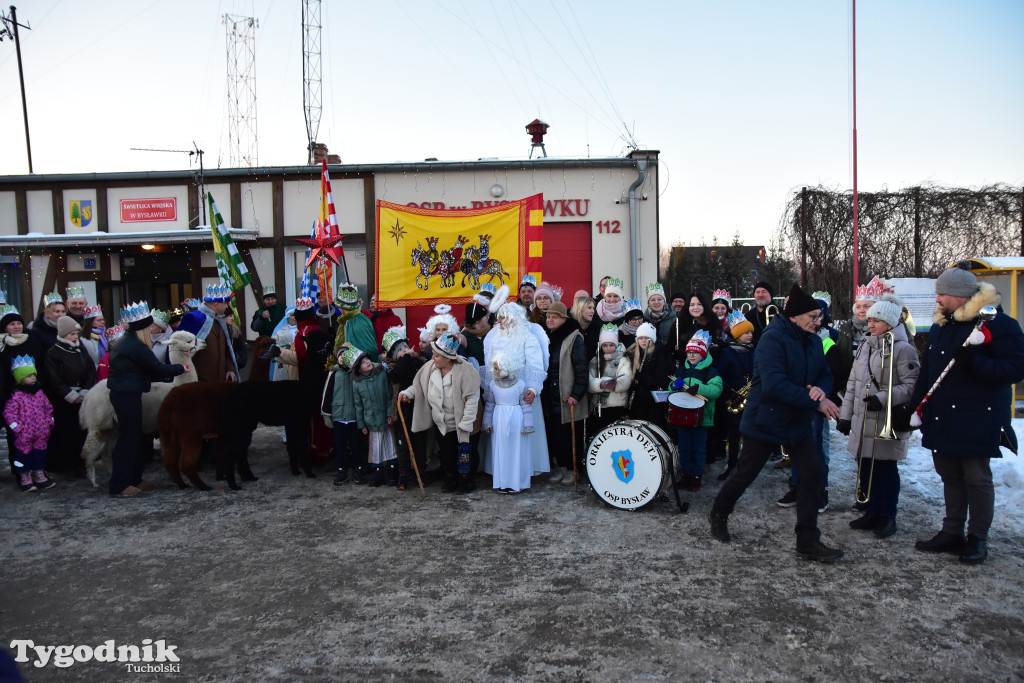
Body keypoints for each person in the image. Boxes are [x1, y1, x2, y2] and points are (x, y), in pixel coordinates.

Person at [708, 284, 844, 563]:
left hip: (798, 422)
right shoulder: (772, 339)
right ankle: (719, 513)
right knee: (744, 474)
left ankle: (807, 540)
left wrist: (820, 389)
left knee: (812, 475)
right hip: (765, 419)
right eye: (813, 317)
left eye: (820, 317)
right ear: (794, 316)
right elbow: (773, 385)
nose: (819, 322)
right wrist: (815, 400)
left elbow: (826, 375)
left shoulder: (815, 340)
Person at [909, 261, 1024, 564]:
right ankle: (951, 532)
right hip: (943, 416)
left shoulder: (999, 325)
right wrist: (913, 406)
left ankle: (977, 538)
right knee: (949, 476)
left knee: (977, 479)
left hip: (979, 417)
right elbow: (929, 372)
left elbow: (1015, 368)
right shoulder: (941, 327)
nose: (938, 300)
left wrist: (976, 362)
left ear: (960, 295)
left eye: (942, 294)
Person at [835, 292, 920, 538]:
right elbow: (853, 383)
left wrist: (883, 398)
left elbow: (913, 386)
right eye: (869, 320)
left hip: (886, 420)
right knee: (865, 467)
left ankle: (888, 516)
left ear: (891, 323)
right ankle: (872, 511)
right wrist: (845, 415)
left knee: (885, 470)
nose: (870, 324)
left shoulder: (904, 349)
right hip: (863, 420)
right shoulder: (865, 345)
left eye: (877, 320)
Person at [107, 302, 186, 497]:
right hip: (126, 395)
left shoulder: (128, 341)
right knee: (128, 439)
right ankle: (119, 485)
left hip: (128, 393)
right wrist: (180, 368)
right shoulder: (135, 345)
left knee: (135, 438)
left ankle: (134, 479)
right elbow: (156, 368)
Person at [399, 333, 481, 494]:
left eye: (437, 355)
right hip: (442, 423)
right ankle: (450, 478)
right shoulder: (430, 368)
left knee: (465, 454)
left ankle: (467, 481)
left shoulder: (465, 370)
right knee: (446, 454)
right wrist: (408, 393)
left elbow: (472, 398)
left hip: (463, 423)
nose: (433, 358)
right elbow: (419, 386)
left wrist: (466, 422)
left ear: (448, 358)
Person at [669, 330, 722, 492]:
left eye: (695, 353)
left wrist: (699, 388)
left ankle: (697, 475)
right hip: (683, 416)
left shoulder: (710, 372)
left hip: (702, 417)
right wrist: (673, 386)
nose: (691, 356)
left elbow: (716, 391)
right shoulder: (681, 371)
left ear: (703, 354)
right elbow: (670, 391)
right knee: (684, 447)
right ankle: (685, 474)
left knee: (699, 448)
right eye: (689, 353)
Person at [542, 301, 588, 486]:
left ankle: (571, 469)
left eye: (554, 317)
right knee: (555, 434)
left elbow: (581, 369)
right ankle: (560, 467)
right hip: (551, 394)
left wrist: (577, 393)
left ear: (563, 319)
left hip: (568, 396)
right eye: (548, 316)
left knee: (570, 434)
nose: (550, 320)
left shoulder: (574, 338)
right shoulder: (547, 337)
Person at [42, 316, 96, 475]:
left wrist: (85, 390)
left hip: (81, 395)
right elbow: (53, 378)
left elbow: (90, 369)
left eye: (76, 333)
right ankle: (68, 466)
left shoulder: (81, 349)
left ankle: (81, 463)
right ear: (64, 334)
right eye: (71, 334)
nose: (75, 337)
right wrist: (70, 394)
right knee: (65, 433)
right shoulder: (54, 352)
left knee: (80, 432)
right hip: (64, 398)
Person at [482, 351, 534, 494]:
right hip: (499, 419)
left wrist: (528, 424)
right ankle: (503, 482)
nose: (496, 371)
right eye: (495, 368)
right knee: (502, 450)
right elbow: (489, 405)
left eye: (499, 368)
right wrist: (487, 423)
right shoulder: (492, 385)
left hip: (516, 419)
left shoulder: (520, 384)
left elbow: (525, 406)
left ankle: (518, 482)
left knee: (517, 450)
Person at [713, 311, 755, 481]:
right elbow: (719, 373)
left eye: (751, 332)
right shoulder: (727, 352)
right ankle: (731, 465)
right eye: (746, 333)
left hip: (751, 396)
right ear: (737, 334)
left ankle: (748, 466)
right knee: (734, 434)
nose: (750, 335)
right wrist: (729, 390)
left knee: (750, 434)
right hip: (734, 397)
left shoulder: (754, 349)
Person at [3, 355, 55, 492]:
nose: (32, 378)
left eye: (33, 375)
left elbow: (48, 408)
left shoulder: (39, 393)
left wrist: (49, 422)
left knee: (40, 453)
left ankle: (39, 473)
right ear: (20, 378)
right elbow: (9, 414)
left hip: (41, 432)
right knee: (23, 455)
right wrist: (18, 428)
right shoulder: (16, 396)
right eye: (28, 375)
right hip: (24, 434)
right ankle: (24, 476)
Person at [384, 327, 427, 490]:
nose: (404, 352)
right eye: (399, 350)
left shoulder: (416, 361)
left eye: (405, 348)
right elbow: (397, 375)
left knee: (419, 441)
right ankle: (403, 473)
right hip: (401, 411)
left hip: (418, 408)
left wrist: (412, 357)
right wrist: (405, 358)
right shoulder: (392, 367)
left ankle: (420, 471)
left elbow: (423, 370)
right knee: (403, 444)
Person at [351, 346, 397, 487]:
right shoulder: (357, 383)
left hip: (385, 415)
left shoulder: (381, 374)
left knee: (390, 444)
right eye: (362, 363)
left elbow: (389, 396)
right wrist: (361, 424)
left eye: (366, 359)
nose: (367, 362)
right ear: (358, 369)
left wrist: (390, 413)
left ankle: (392, 472)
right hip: (371, 419)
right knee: (375, 446)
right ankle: (377, 473)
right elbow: (358, 405)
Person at [177, 283, 241, 383]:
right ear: (216, 304)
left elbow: (226, 349)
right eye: (225, 303)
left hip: (220, 382)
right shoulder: (194, 318)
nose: (227, 307)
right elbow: (178, 348)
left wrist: (230, 368)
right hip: (199, 381)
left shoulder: (219, 321)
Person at [326, 346, 364, 485]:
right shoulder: (334, 374)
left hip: (354, 416)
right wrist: (326, 414)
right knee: (340, 445)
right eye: (340, 355)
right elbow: (327, 394)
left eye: (345, 355)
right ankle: (341, 470)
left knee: (356, 445)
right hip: (339, 416)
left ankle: (358, 469)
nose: (342, 357)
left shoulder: (356, 373)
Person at [625, 322, 671, 429]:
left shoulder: (661, 354)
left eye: (647, 338)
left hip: (655, 402)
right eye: (641, 338)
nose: (643, 341)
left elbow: (662, 379)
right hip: (638, 402)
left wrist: (645, 378)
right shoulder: (632, 354)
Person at [588, 324, 632, 434]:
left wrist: (607, 384)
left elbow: (625, 381)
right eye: (605, 345)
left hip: (615, 407)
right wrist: (602, 384)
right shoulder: (595, 361)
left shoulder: (624, 360)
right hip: (597, 408)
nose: (608, 348)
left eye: (611, 345)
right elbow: (588, 381)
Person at [668, 292, 723, 365]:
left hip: (708, 368)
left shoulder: (713, 322)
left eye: (699, 304)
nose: (696, 307)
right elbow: (670, 347)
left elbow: (720, 345)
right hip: (684, 368)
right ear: (688, 306)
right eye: (692, 305)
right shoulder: (679, 323)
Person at [570, 294, 600, 363]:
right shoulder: (569, 328)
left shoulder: (597, 329)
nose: (592, 311)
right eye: (589, 308)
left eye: (593, 308)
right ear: (580, 308)